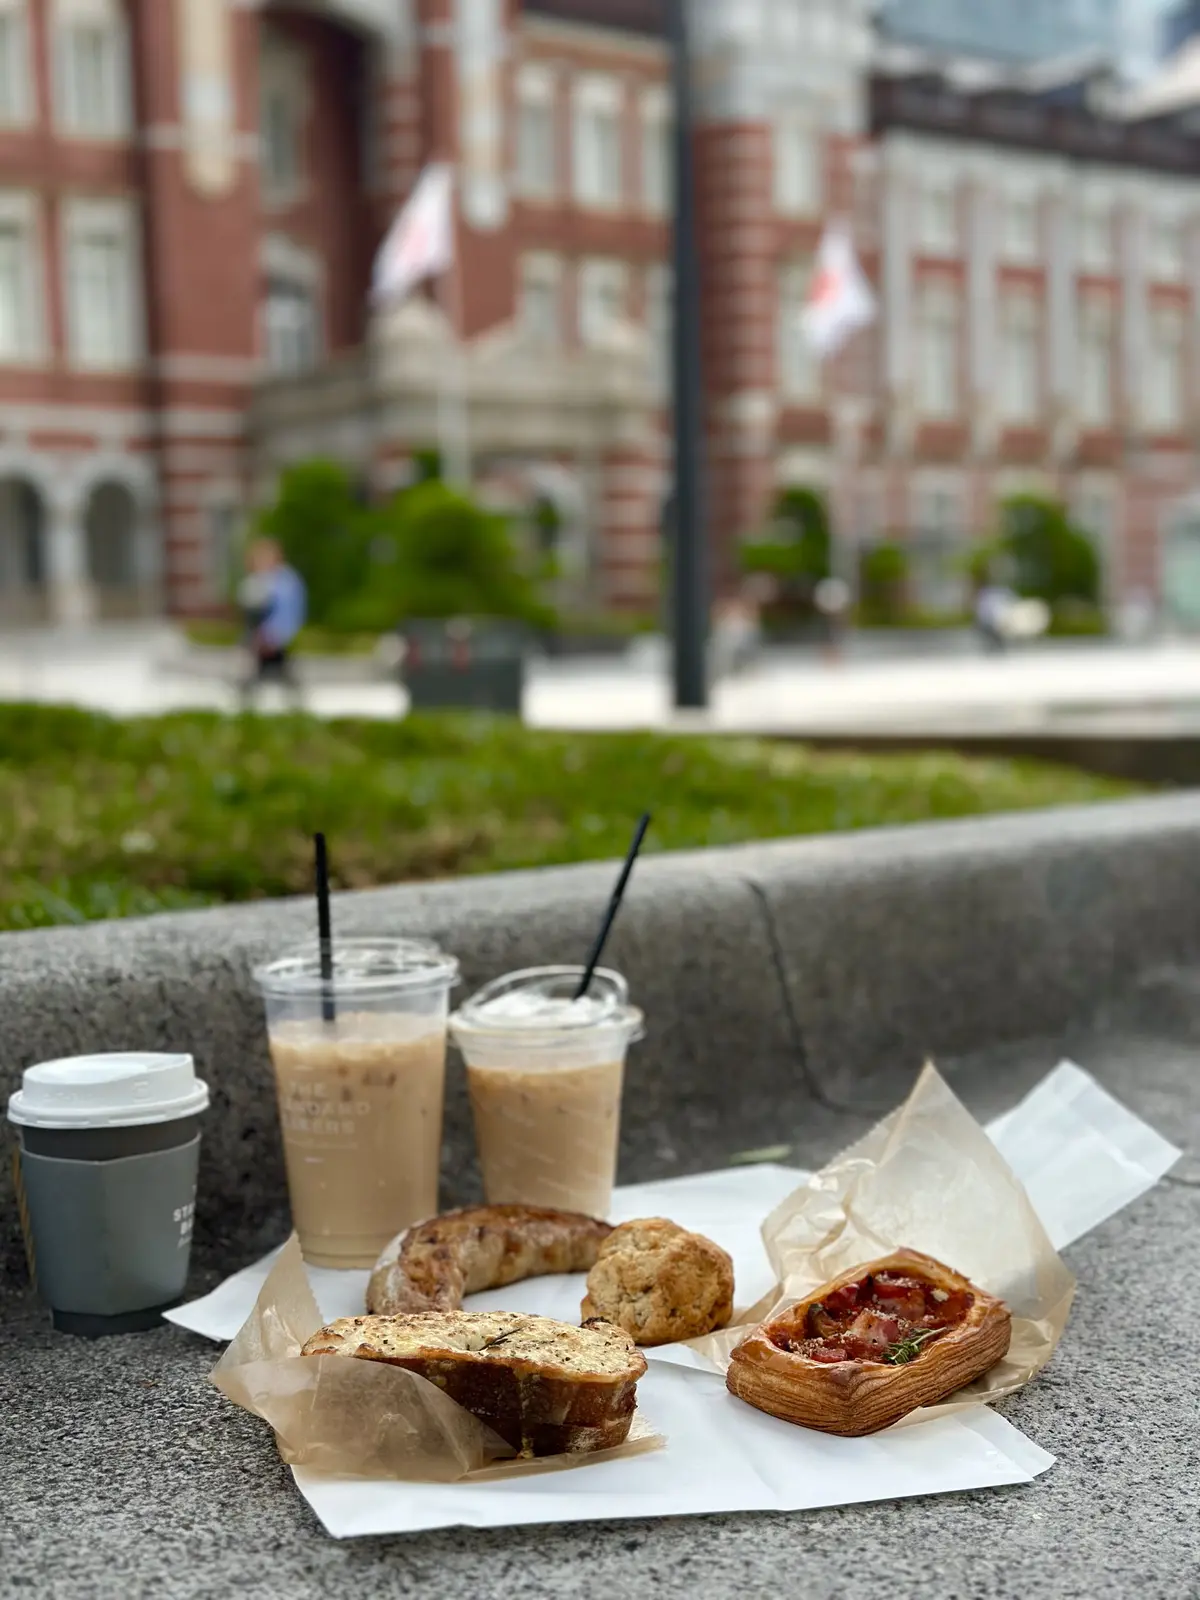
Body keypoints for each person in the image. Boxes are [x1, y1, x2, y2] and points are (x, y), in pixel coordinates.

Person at [238, 538, 307, 707]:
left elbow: (287, 614)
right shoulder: (263, 581)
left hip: (273, 639)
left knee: (278, 674)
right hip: (263, 638)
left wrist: (273, 636)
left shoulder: (284, 583)